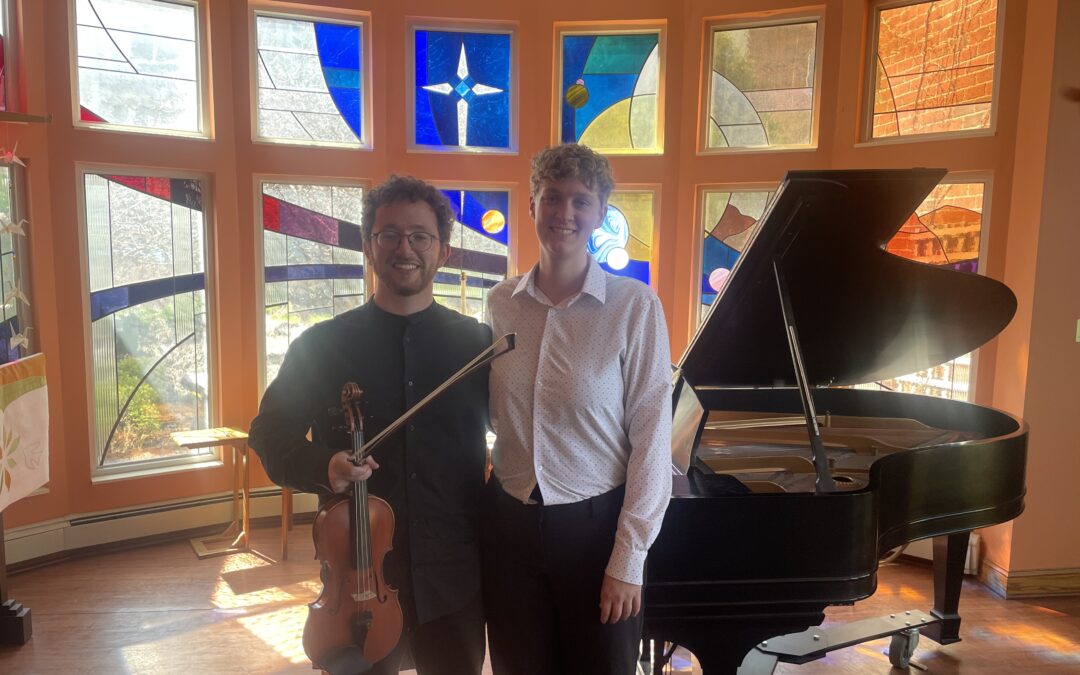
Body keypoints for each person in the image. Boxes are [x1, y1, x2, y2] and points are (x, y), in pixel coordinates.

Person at [249, 175, 490, 675]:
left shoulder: (476, 346)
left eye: (420, 236)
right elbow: (268, 433)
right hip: (354, 585)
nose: (406, 248)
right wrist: (325, 466)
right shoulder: (320, 346)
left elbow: (525, 430)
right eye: (390, 234)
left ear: (442, 250)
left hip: (454, 576)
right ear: (369, 246)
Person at [484, 143, 672, 674]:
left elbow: (653, 438)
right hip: (509, 526)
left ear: (600, 213)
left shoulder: (634, 307)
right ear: (532, 205)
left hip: (596, 531)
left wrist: (629, 558)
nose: (564, 213)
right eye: (552, 198)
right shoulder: (500, 303)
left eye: (581, 201)